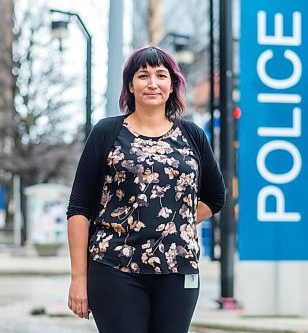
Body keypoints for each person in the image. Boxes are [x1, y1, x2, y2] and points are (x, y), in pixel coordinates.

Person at [66, 46, 226, 333]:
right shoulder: (107, 132)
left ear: (172, 84)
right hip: (114, 268)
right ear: (131, 85)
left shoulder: (193, 136)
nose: (152, 83)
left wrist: (173, 223)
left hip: (179, 271)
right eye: (143, 75)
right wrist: (79, 278)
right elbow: (78, 208)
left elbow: (215, 198)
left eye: (161, 75)